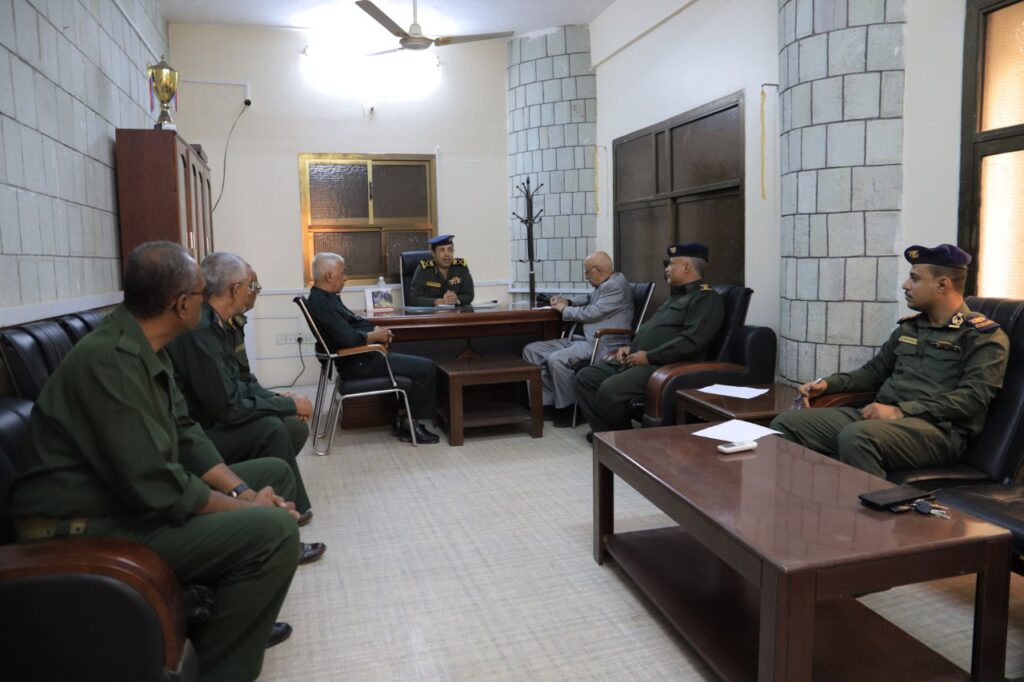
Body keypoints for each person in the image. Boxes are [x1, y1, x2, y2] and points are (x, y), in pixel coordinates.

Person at [9, 241, 301, 682]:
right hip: (80, 526)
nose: (207, 303)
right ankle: (220, 670)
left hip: (123, 504)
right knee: (274, 531)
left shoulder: (147, 346)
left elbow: (185, 432)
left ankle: (228, 628)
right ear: (181, 304)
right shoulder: (110, 361)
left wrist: (242, 492)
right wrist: (246, 510)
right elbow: (159, 485)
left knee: (270, 473)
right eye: (202, 294)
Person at [770, 244, 1009, 478]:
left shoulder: (981, 336)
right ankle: (805, 498)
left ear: (942, 285)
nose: (905, 285)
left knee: (858, 437)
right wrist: (828, 384)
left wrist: (900, 411)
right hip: (881, 418)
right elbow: (872, 373)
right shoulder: (910, 328)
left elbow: (973, 399)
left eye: (914, 278)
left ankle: (872, 505)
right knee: (786, 424)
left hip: (939, 431)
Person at [166, 253, 322, 541]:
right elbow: (228, 407)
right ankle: (282, 516)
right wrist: (286, 405)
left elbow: (241, 383)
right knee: (272, 428)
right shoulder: (201, 330)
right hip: (197, 434)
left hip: (209, 423)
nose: (252, 292)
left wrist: (281, 402)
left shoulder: (218, 324)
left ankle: (270, 501)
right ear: (236, 289)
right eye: (250, 286)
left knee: (289, 426)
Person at [575, 242, 724, 440]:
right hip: (639, 358)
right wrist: (632, 347)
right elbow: (656, 331)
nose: (667, 269)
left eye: (671, 264)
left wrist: (649, 356)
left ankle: (626, 441)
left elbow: (691, 341)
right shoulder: (675, 298)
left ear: (687, 267)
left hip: (665, 365)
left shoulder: (706, 299)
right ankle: (605, 434)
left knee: (610, 391)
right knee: (585, 377)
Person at [306, 252, 441, 444]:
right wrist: (376, 336)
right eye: (342, 272)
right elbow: (348, 338)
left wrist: (375, 329)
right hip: (358, 363)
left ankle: (403, 419)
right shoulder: (322, 304)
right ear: (329, 276)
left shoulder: (325, 297)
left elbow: (352, 323)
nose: (345, 277)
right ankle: (411, 425)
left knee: (413, 358)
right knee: (426, 367)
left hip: (360, 357)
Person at [522, 251, 634, 427]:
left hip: (599, 343)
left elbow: (592, 313)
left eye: (587, 272)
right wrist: (567, 301)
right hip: (578, 339)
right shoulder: (605, 283)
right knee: (532, 350)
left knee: (557, 359)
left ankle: (569, 409)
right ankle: (547, 404)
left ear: (598, 270)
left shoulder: (615, 286)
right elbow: (588, 299)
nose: (586, 276)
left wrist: (563, 310)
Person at [407, 234, 475, 306]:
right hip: (432, 312)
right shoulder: (424, 268)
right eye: (442, 250)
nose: (447, 254)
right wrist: (439, 301)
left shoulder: (460, 266)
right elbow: (413, 299)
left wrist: (456, 299)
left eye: (450, 249)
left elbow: (469, 294)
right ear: (433, 253)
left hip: (456, 311)